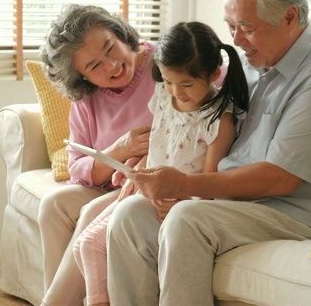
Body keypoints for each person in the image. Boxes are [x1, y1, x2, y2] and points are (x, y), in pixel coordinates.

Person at [106, 0, 311, 306]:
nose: (237, 40)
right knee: (130, 215)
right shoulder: (254, 64)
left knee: (188, 218)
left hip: (298, 215)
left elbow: (279, 179)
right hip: (242, 205)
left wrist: (186, 186)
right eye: (231, 27)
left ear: (289, 17)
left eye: (247, 27)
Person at [72, 21, 249, 306]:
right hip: (147, 192)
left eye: (187, 84)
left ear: (215, 74)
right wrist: (137, 170)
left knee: (92, 245)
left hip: (175, 202)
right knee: (86, 244)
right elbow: (161, 143)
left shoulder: (220, 118)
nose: (177, 92)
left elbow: (209, 181)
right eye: (168, 82)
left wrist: (184, 199)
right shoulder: (164, 97)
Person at [37, 4, 156, 306]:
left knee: (90, 215)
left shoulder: (164, 63)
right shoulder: (87, 99)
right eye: (94, 67)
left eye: (110, 48)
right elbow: (77, 167)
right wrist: (119, 149)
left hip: (144, 188)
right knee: (53, 204)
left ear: (118, 33)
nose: (112, 65)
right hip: (109, 186)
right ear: (82, 78)